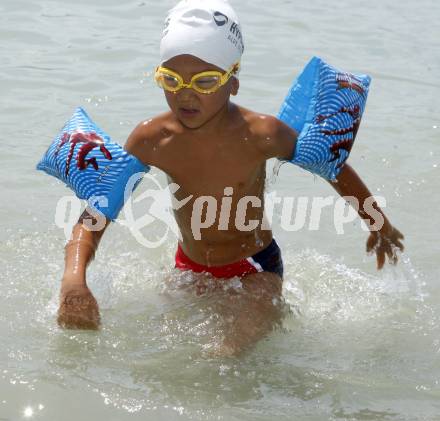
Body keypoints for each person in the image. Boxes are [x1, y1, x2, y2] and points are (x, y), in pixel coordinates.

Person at [57, 0, 404, 354]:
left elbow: (331, 166)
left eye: (205, 81)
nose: (186, 93)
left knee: (225, 354)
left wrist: (378, 224)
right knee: (159, 352)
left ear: (233, 81)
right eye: (171, 79)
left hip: (255, 270)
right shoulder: (152, 139)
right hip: (188, 266)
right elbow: (98, 211)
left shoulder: (262, 133)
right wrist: (74, 278)